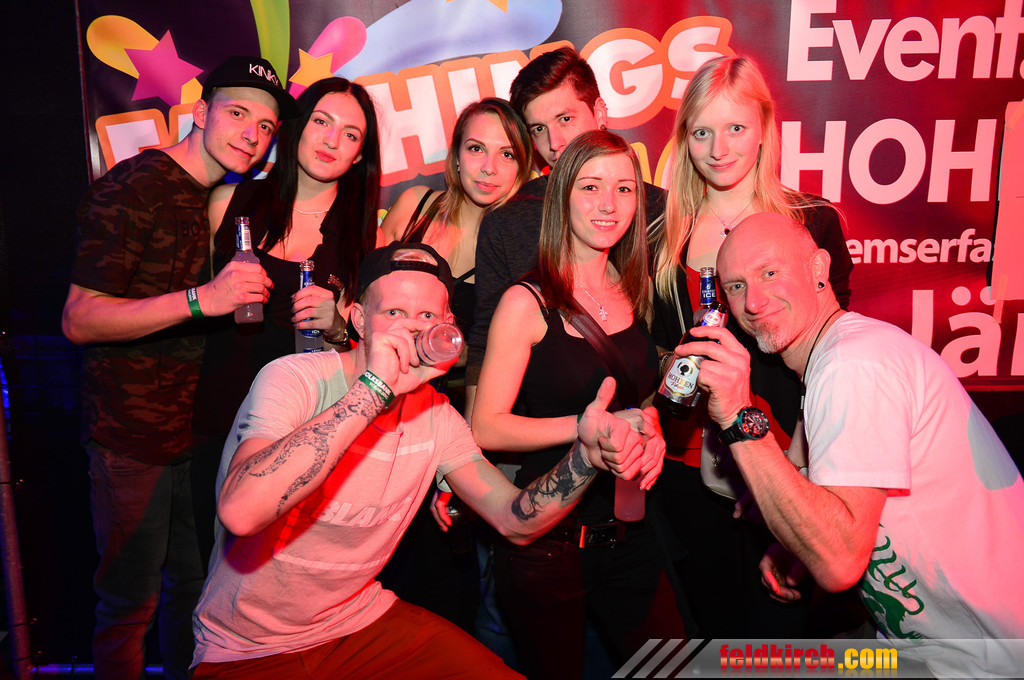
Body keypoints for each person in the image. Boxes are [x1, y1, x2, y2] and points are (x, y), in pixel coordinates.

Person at [190, 242, 662, 679]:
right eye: (394, 312)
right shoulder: (294, 380)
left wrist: (584, 458)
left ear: (447, 326)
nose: (412, 327)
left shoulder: (437, 417)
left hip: (358, 622)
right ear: (359, 320)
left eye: (427, 315)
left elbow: (514, 521)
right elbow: (241, 512)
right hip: (245, 647)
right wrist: (373, 391)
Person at [679, 212, 1024, 676]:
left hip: (988, 661)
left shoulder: (854, 364)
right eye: (736, 286)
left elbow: (838, 563)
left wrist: (738, 416)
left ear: (819, 268)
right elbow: (837, 510)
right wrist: (798, 541)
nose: (754, 301)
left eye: (770, 272)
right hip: (927, 647)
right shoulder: (835, 360)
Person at [61, 56, 294, 679]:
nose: (252, 133)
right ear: (200, 111)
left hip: (191, 435)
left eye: (266, 126)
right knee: (128, 603)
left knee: (193, 592)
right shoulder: (135, 187)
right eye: (238, 113)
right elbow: (79, 319)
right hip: (130, 437)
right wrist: (201, 300)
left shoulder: (214, 197)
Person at [649, 55, 855, 637]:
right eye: (702, 132)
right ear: (684, 139)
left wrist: (800, 467)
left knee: (779, 637)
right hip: (689, 469)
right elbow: (654, 355)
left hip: (788, 458)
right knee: (708, 635)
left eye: (736, 127)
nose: (719, 149)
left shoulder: (812, 223)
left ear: (764, 127)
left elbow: (834, 358)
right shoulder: (662, 233)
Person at [472, 130, 684, 680]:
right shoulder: (527, 301)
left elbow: (636, 394)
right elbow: (487, 427)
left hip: (632, 530)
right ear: (563, 196)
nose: (609, 204)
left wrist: (650, 421)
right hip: (551, 545)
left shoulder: (633, 285)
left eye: (624, 188)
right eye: (591, 187)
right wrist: (589, 428)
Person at [192, 77, 381, 564]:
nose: (332, 140)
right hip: (219, 414)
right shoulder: (229, 204)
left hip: (305, 426)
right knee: (209, 565)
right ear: (296, 127)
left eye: (350, 134)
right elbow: (195, 310)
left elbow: (364, 356)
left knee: (287, 570)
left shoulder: (366, 236)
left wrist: (337, 326)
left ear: (359, 155)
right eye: (321, 122)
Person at [466, 46, 666, 418]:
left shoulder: (658, 211)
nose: (554, 143)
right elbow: (483, 340)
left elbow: (667, 335)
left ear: (600, 113)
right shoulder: (508, 221)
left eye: (565, 119)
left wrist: (652, 422)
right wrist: (473, 446)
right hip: (540, 428)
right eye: (538, 129)